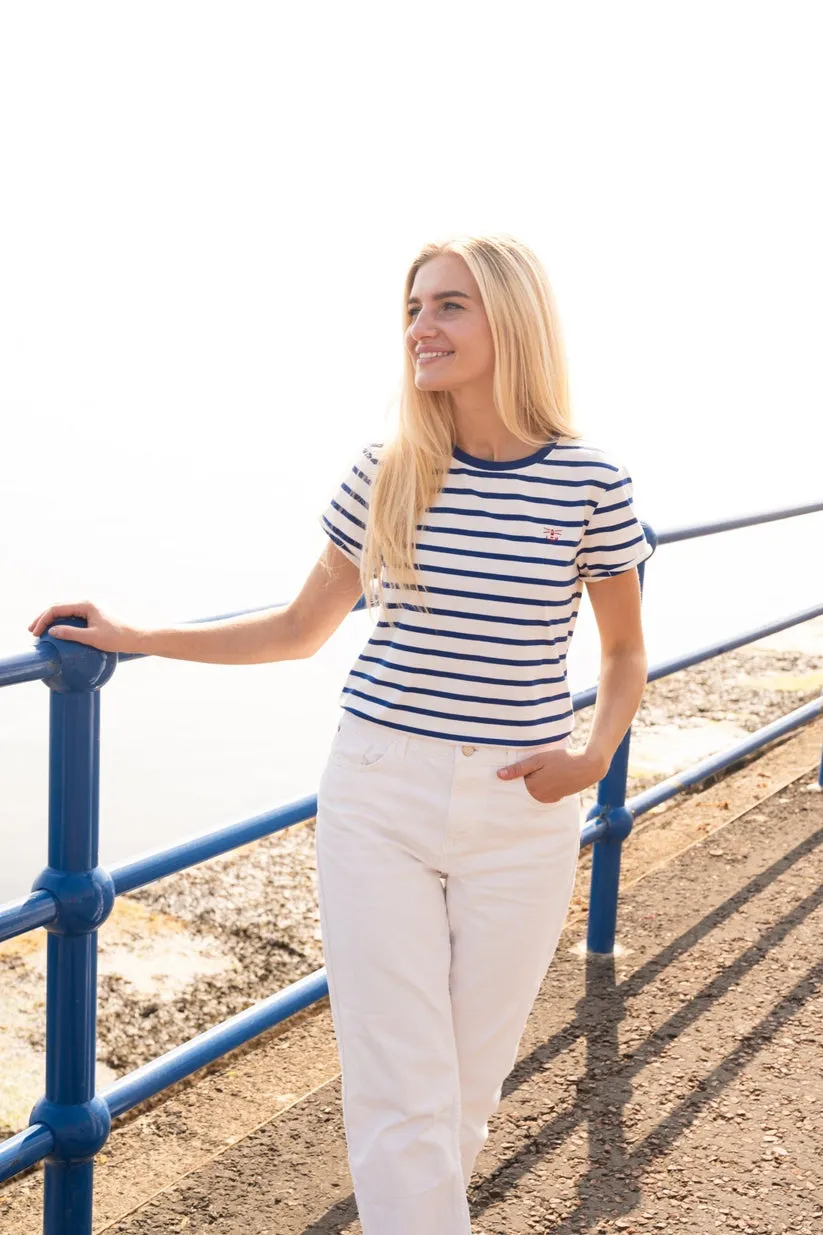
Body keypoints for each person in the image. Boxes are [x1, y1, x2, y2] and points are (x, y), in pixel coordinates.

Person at [28, 234, 652, 1235]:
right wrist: (133, 634)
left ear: (510, 319)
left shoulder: (590, 483)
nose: (420, 326)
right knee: (401, 1093)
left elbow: (622, 651)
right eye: (412, 307)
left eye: (448, 305)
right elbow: (296, 629)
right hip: (380, 796)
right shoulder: (388, 470)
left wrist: (591, 755)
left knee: (462, 1094)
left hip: (524, 808)